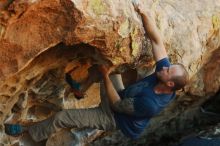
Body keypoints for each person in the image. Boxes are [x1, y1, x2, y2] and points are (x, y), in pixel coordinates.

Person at [4, 3, 189, 143]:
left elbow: (116, 104)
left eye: (168, 70)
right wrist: (143, 11)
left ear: (170, 84)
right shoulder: (165, 78)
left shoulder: (151, 104)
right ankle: (80, 90)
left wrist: (106, 75)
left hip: (114, 116)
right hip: (124, 98)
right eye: (167, 66)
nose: (164, 67)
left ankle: (28, 132)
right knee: (106, 63)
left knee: (63, 117)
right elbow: (157, 41)